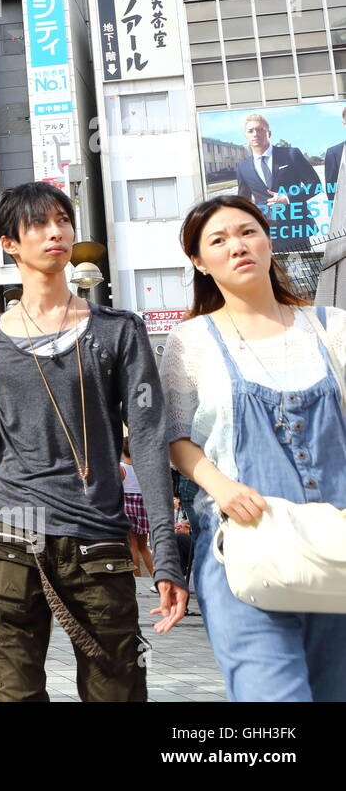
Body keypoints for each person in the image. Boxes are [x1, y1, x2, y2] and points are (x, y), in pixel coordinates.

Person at [0, 182, 187, 702]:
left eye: (62, 220)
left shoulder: (119, 330)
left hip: (95, 528)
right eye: (37, 224)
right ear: (10, 242)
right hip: (7, 530)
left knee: (117, 688)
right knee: (15, 693)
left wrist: (165, 553)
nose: (56, 232)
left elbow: (147, 439)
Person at [162, 194, 346, 701]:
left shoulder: (331, 327)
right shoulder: (189, 340)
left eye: (247, 232)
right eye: (218, 240)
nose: (237, 246)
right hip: (242, 544)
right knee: (274, 696)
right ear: (199, 261)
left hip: (335, 542)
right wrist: (219, 485)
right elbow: (175, 437)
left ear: (268, 240)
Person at [233, 113, 320, 252]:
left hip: (296, 228)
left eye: (260, 129)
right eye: (250, 131)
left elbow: (315, 185)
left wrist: (287, 198)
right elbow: (243, 201)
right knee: (273, 274)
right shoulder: (243, 167)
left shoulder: (291, 154)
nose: (255, 134)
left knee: (303, 272)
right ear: (246, 136)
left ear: (269, 133)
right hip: (266, 233)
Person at [119, 443, 153, 577]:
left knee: (132, 545)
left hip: (127, 506)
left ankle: (137, 578)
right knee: (143, 547)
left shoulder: (121, 468)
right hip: (142, 507)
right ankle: (154, 575)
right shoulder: (143, 468)